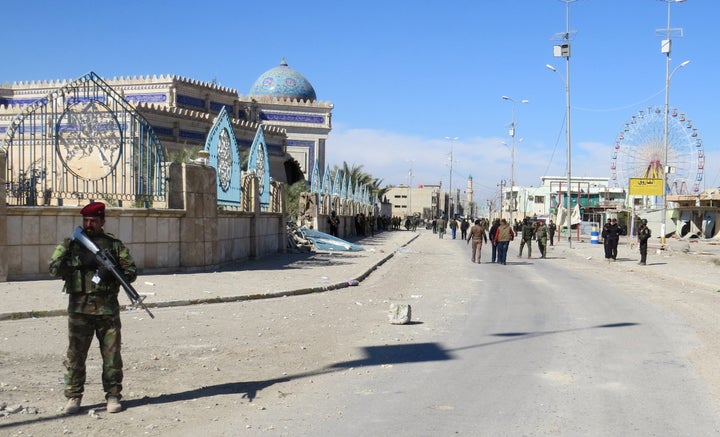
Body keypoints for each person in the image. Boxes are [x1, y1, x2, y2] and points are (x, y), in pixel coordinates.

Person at [49, 202, 137, 415]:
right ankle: (73, 396)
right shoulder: (71, 244)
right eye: (86, 220)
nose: (89, 224)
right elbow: (53, 268)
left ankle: (113, 395)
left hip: (107, 311)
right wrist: (79, 261)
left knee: (112, 356)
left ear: (102, 222)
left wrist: (111, 270)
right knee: (76, 356)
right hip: (79, 311)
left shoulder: (113, 245)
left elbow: (132, 272)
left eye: (93, 221)